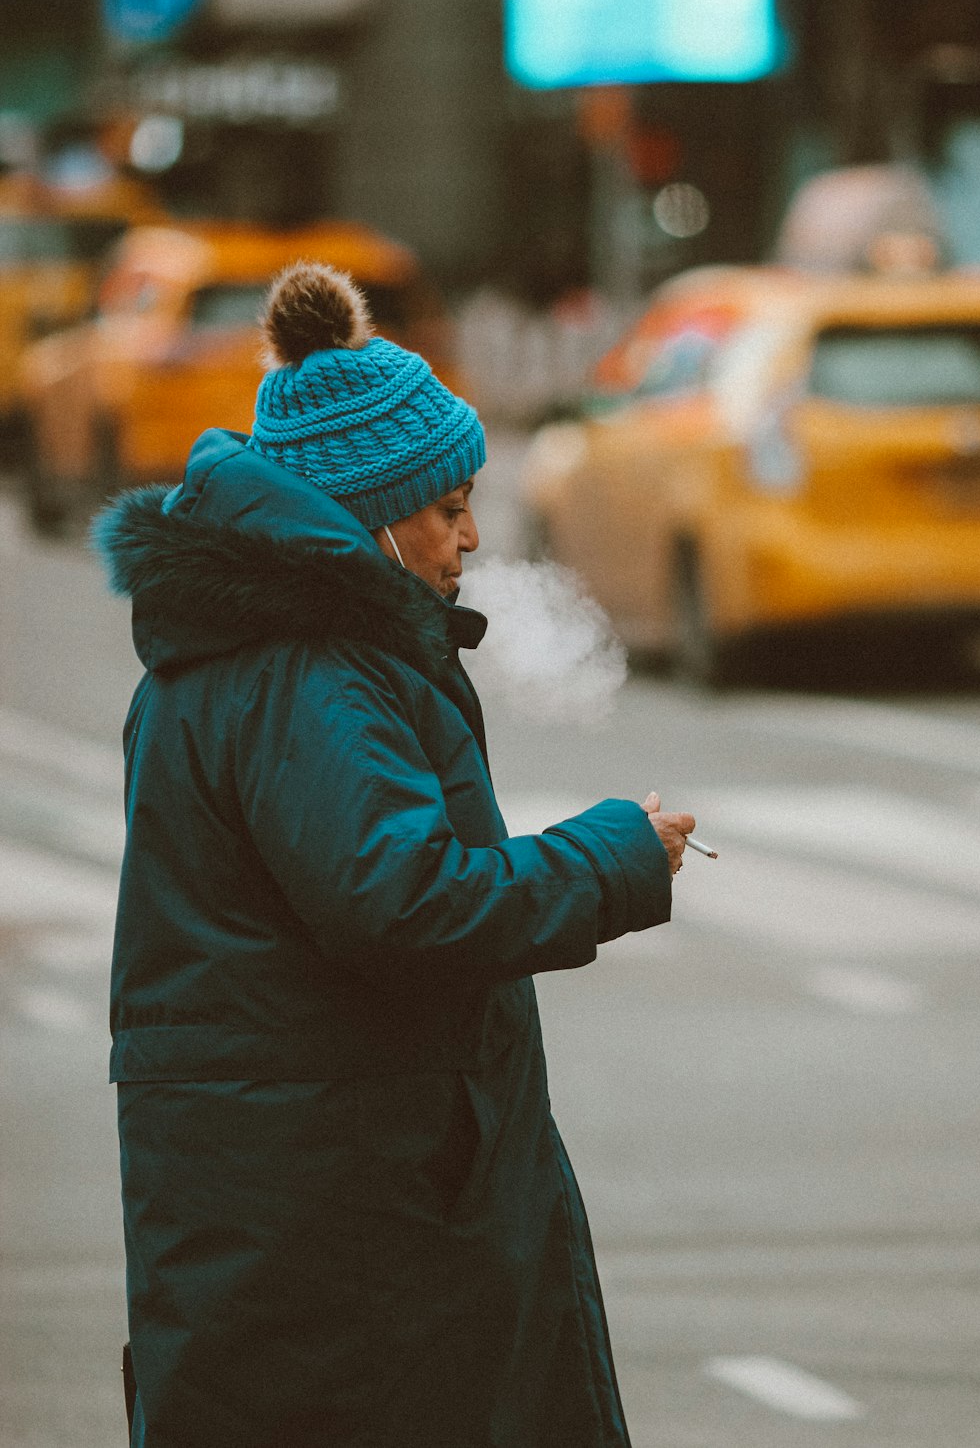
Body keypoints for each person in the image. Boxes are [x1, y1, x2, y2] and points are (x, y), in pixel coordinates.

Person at [94, 261, 696, 1448]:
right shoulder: (308, 668)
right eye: (448, 505)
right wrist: (616, 857)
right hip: (333, 1203)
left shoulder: (277, 648)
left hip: (320, 1183)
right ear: (372, 513)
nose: (471, 533)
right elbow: (400, 902)